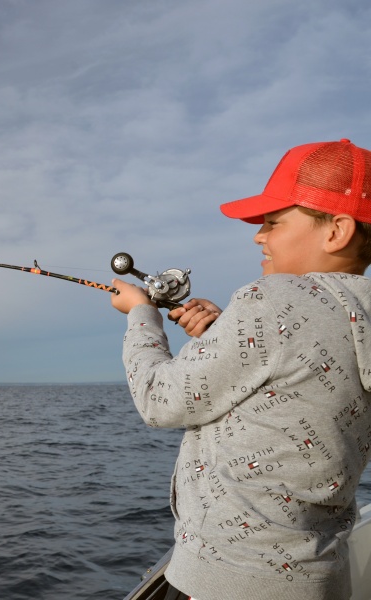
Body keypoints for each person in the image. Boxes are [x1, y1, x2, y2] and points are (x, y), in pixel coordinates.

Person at [110, 138, 371, 600]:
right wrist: (220, 333)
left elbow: (159, 400)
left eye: (273, 222)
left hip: (227, 580)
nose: (258, 236)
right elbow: (301, 378)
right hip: (321, 578)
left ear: (337, 231)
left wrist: (141, 315)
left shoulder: (270, 300)